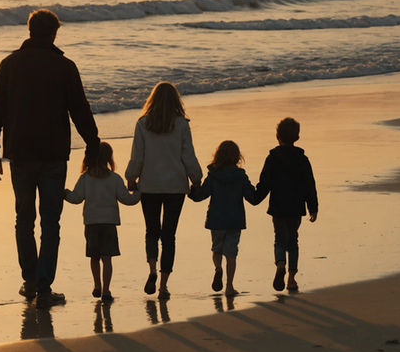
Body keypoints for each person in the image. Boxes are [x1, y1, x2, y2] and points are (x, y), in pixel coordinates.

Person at [0, 9, 100, 309]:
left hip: (20, 154)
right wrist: (93, 143)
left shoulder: (9, 65)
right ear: (53, 34)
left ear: (30, 30)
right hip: (52, 155)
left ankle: (31, 280)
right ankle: (44, 287)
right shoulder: (64, 66)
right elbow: (80, 110)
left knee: (24, 218)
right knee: (51, 222)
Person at [125, 82, 202, 299]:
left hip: (149, 185)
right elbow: (188, 156)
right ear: (176, 100)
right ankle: (163, 286)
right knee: (169, 236)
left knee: (152, 231)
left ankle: (151, 270)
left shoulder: (143, 123)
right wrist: (196, 179)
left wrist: (131, 178)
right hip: (176, 186)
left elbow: (137, 156)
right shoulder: (182, 125)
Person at [65, 142, 140, 302]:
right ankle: (106, 290)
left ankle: (97, 285)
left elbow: (76, 198)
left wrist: (63, 193)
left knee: (94, 257)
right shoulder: (114, 178)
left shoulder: (85, 177)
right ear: (109, 158)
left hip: (91, 223)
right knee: (107, 258)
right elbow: (128, 200)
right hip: (109, 223)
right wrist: (140, 191)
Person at [254, 117, 318, 292]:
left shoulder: (273, 158)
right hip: (296, 207)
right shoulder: (302, 159)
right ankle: (291, 279)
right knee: (293, 240)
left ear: (277, 136)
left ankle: (280, 263)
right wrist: (313, 208)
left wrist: (254, 197)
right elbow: (309, 185)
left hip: (278, 206)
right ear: (297, 137)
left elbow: (265, 182)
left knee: (280, 239)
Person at [190, 140, 256, 296]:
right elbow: (252, 197)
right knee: (231, 253)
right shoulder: (240, 176)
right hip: (234, 220)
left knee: (216, 249)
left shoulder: (213, 175)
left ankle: (217, 268)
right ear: (237, 157)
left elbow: (201, 195)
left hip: (216, 220)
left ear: (217, 156)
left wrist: (192, 189)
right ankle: (229, 286)